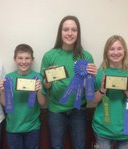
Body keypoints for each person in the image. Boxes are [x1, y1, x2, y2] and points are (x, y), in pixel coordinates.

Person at [40, 15, 97, 149]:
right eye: (66, 30)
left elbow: (89, 90)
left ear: (78, 33)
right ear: (60, 32)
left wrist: (92, 77)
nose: (70, 33)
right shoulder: (49, 55)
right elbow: (46, 87)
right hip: (55, 110)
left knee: (79, 146)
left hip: (79, 109)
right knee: (56, 146)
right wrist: (48, 78)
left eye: (74, 30)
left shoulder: (86, 56)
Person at [92, 35, 128, 149]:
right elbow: (93, 100)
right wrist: (102, 90)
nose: (116, 52)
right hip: (103, 130)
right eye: (112, 49)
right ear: (106, 52)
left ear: (125, 51)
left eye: (119, 48)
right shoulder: (99, 74)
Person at [0, 44, 46, 149]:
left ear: (32, 60)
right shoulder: (8, 77)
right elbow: (5, 103)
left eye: (27, 58)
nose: (23, 62)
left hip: (32, 127)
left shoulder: (38, 77)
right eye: (20, 58)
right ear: (15, 59)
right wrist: (1, 91)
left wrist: (38, 90)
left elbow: (42, 103)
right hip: (13, 127)